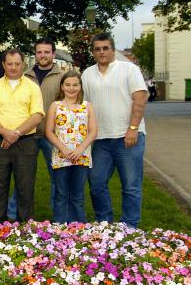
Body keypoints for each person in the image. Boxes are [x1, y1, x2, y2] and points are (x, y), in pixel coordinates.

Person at [82, 32, 148, 228]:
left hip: (128, 137)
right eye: (97, 49)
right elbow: (85, 106)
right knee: (96, 183)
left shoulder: (129, 69)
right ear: (93, 52)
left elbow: (140, 99)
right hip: (101, 139)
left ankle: (130, 227)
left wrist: (133, 128)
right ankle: (105, 223)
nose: (102, 52)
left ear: (112, 50)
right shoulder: (87, 74)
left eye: (105, 48)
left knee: (131, 186)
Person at [0, 49, 44, 222]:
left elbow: (37, 115)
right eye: (9, 64)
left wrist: (15, 134)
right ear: (3, 65)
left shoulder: (32, 87)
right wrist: (5, 133)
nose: (13, 67)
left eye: (17, 64)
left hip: (25, 143)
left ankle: (25, 228)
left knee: (25, 187)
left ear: (23, 64)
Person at [7, 37, 63, 220]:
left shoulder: (62, 77)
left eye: (47, 52)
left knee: (57, 178)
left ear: (53, 54)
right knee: (23, 178)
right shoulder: (25, 75)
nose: (43, 55)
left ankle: (58, 218)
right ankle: (12, 215)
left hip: (52, 136)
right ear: (35, 54)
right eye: (39, 52)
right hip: (27, 134)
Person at [45, 70, 97, 223]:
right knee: (61, 194)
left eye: (75, 84)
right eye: (67, 84)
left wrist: (80, 149)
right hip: (61, 156)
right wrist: (64, 148)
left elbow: (93, 131)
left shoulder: (87, 106)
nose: (71, 88)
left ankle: (77, 228)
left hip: (81, 156)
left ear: (80, 86)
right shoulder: (55, 106)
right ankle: (59, 227)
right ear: (62, 86)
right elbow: (49, 131)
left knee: (78, 195)